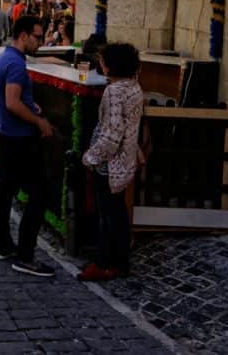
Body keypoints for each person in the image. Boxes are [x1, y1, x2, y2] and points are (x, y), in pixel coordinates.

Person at [0, 15, 56, 277]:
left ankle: (3, 245)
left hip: (5, 135)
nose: (40, 42)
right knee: (40, 194)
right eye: (38, 37)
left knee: (5, 191)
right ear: (24, 35)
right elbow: (12, 102)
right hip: (20, 139)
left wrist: (27, 104)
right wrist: (39, 121)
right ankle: (25, 256)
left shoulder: (2, 58)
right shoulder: (16, 64)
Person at [79, 43, 143, 282]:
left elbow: (113, 133)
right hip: (124, 163)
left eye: (103, 60)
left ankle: (105, 262)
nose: (101, 64)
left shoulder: (115, 91)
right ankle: (120, 261)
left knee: (107, 214)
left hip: (110, 164)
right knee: (117, 213)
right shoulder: (134, 88)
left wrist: (91, 157)